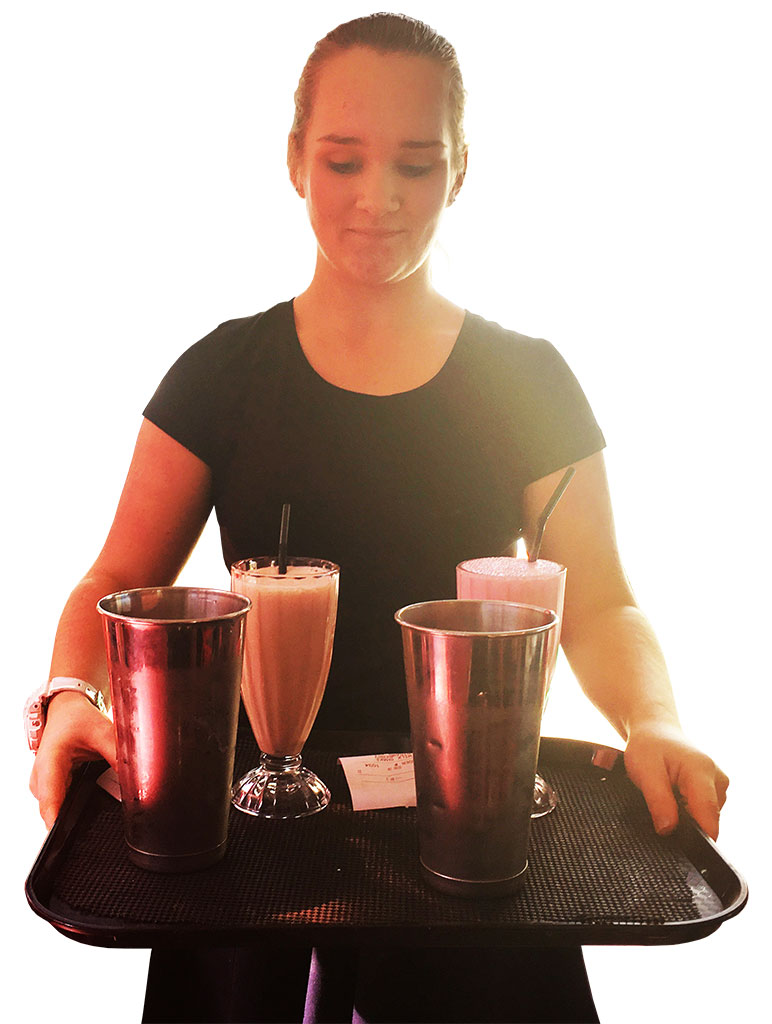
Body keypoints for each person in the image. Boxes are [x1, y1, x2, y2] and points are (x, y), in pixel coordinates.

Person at [27, 12, 729, 1023]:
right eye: (344, 160)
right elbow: (114, 581)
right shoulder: (222, 371)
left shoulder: (528, 380)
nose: (378, 197)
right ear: (294, 160)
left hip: (474, 839)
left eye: (416, 163)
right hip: (257, 843)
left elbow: (602, 603)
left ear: (460, 170)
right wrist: (68, 695)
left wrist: (655, 722)